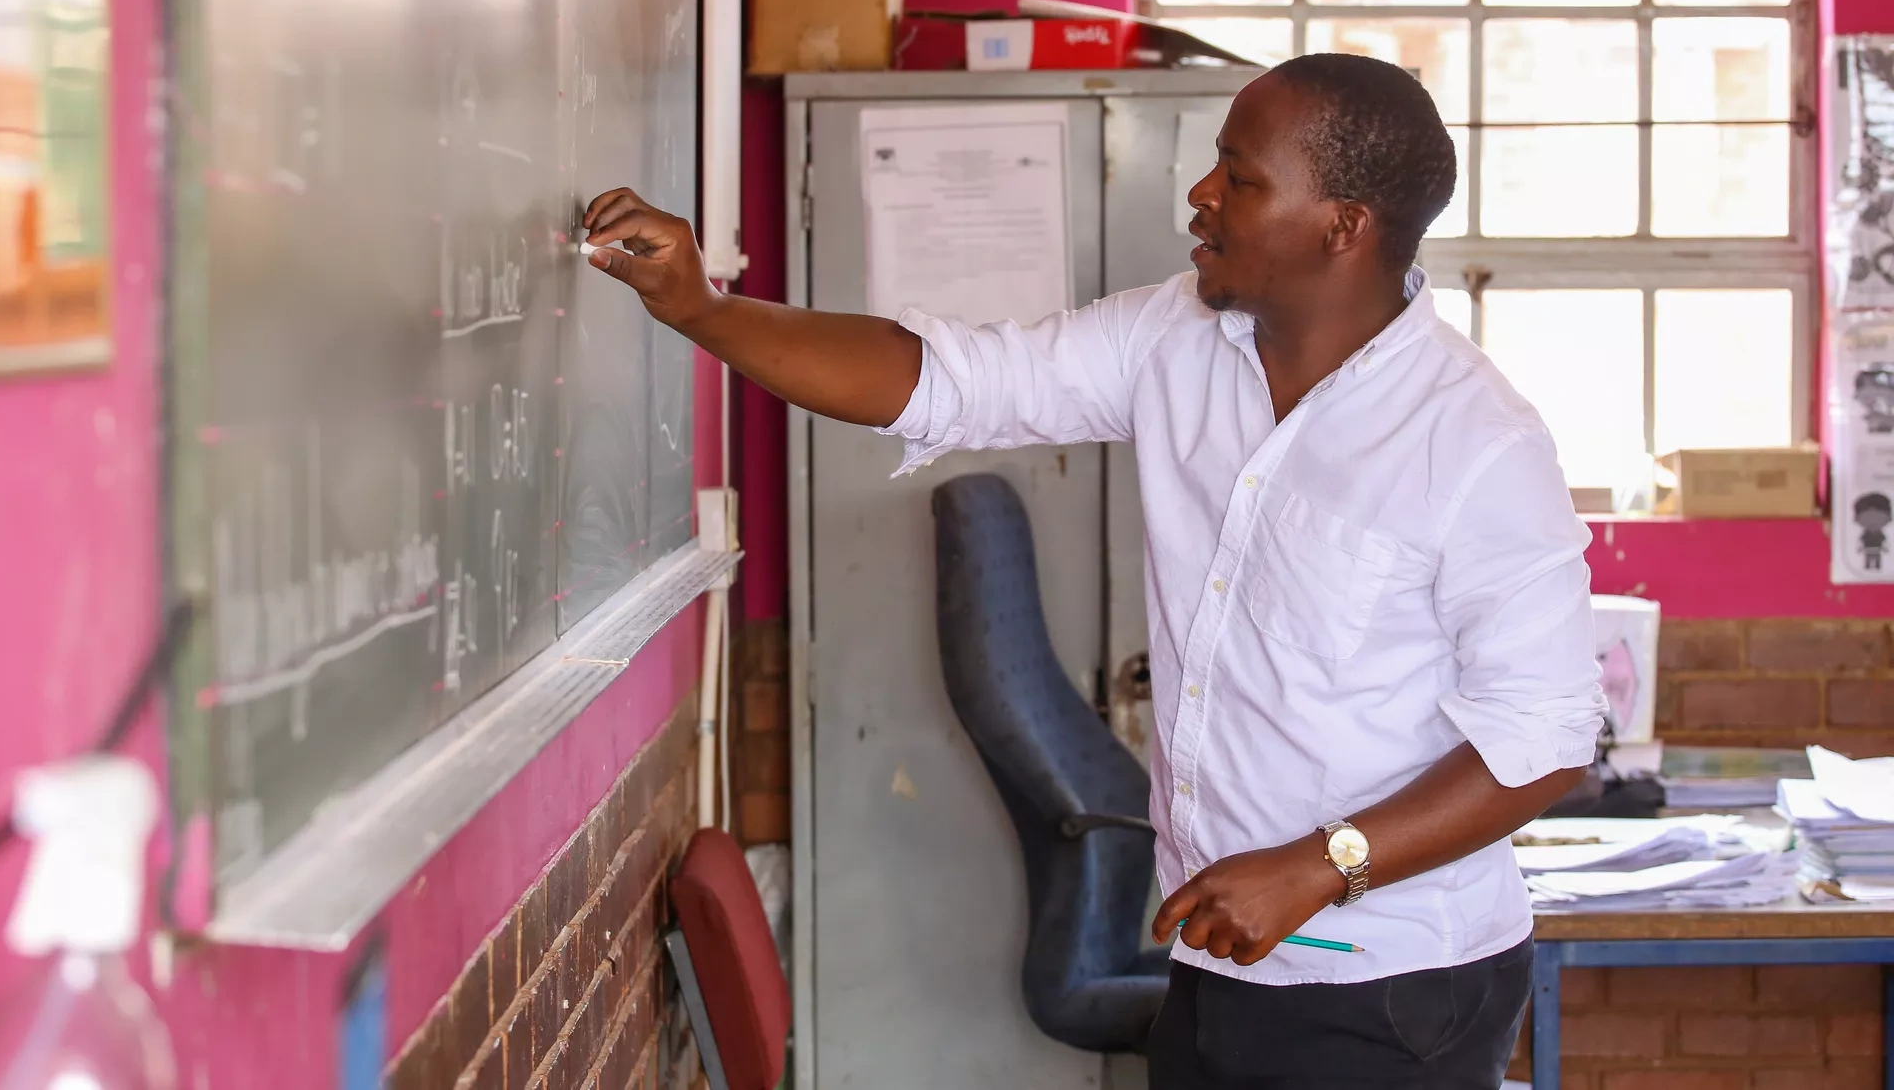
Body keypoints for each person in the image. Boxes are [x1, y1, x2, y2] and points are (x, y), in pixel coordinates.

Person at [581, 53, 1603, 1089]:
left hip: (1389, 987)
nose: (1200, 196)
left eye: (1240, 179)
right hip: (1218, 955)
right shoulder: (1177, 337)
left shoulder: (1475, 444)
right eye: (1214, 164)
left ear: (1342, 225)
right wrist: (699, 311)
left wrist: (1315, 865)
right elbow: (948, 379)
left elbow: (1547, 736)